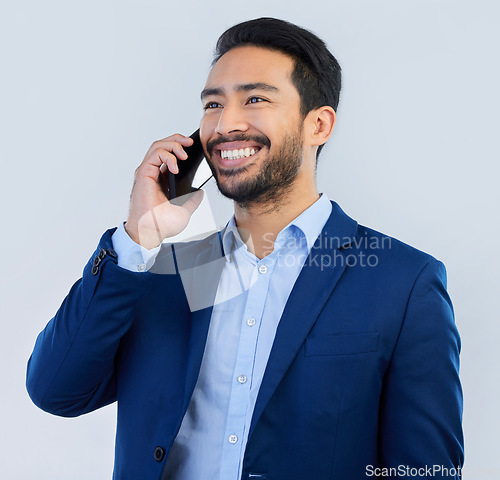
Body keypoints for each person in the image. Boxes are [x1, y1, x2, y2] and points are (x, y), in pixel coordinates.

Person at [26, 17, 464, 480]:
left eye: (254, 99)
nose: (225, 124)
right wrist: (139, 237)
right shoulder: (159, 272)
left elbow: (425, 471)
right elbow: (56, 390)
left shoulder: (404, 282)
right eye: (213, 104)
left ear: (318, 124)